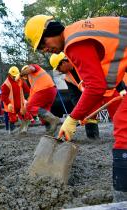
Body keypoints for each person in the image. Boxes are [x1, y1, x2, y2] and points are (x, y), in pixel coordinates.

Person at [24, 15, 127, 201]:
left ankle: (122, 198)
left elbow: (96, 86)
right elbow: (104, 79)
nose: (45, 50)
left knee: (124, 128)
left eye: (42, 43)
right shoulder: (77, 34)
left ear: (51, 30)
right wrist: (80, 115)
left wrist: (72, 119)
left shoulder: (75, 43)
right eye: (40, 49)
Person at [50, 52, 100, 139]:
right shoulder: (67, 77)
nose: (59, 71)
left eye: (58, 68)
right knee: (88, 114)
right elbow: (74, 96)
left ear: (63, 62)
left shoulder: (81, 62)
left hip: (103, 88)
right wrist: (80, 113)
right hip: (90, 94)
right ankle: (93, 138)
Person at [20, 64, 60, 135]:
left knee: (30, 107)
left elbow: (31, 69)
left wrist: (21, 73)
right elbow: (31, 97)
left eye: (25, 75)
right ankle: (50, 130)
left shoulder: (33, 67)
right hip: (51, 90)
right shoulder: (33, 82)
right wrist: (25, 109)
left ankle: (53, 119)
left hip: (44, 89)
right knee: (43, 112)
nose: (26, 77)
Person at [1, 66, 32, 135]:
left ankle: (24, 129)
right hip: (11, 106)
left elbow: (27, 89)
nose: (15, 77)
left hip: (20, 105)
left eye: (16, 75)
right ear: (9, 74)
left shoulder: (20, 80)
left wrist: (32, 92)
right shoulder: (6, 84)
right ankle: (12, 131)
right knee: (13, 119)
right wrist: (8, 103)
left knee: (26, 116)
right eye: (13, 76)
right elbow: (3, 96)